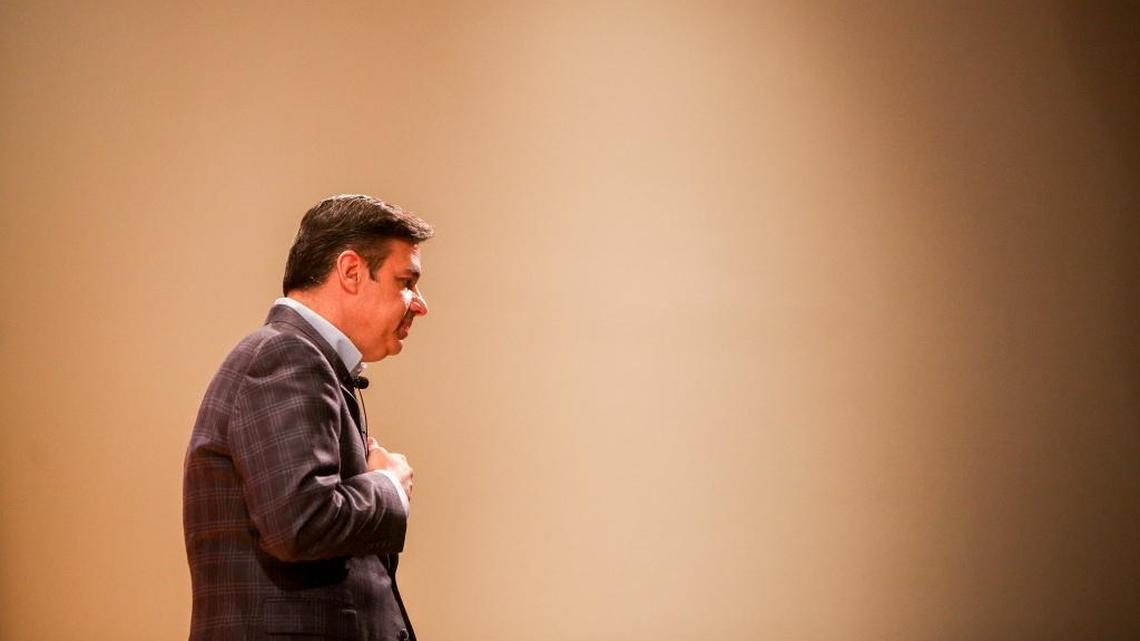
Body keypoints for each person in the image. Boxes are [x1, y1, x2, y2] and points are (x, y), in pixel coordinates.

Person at [183, 194, 433, 641]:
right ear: (352, 271)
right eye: (406, 281)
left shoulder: (302, 358)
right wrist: (388, 486)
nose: (419, 304)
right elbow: (301, 522)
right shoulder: (287, 355)